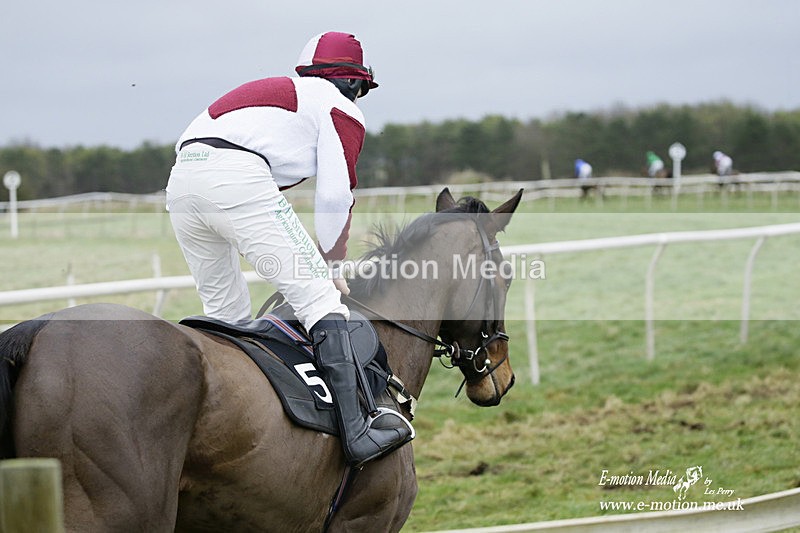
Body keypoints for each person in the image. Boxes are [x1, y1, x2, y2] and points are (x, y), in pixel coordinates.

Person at [165, 31, 412, 467]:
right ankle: (357, 432)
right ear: (353, 82)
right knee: (322, 301)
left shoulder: (283, 96)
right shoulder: (340, 106)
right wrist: (332, 263)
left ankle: (227, 430)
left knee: (227, 314)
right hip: (235, 175)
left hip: (182, 180)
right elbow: (335, 195)